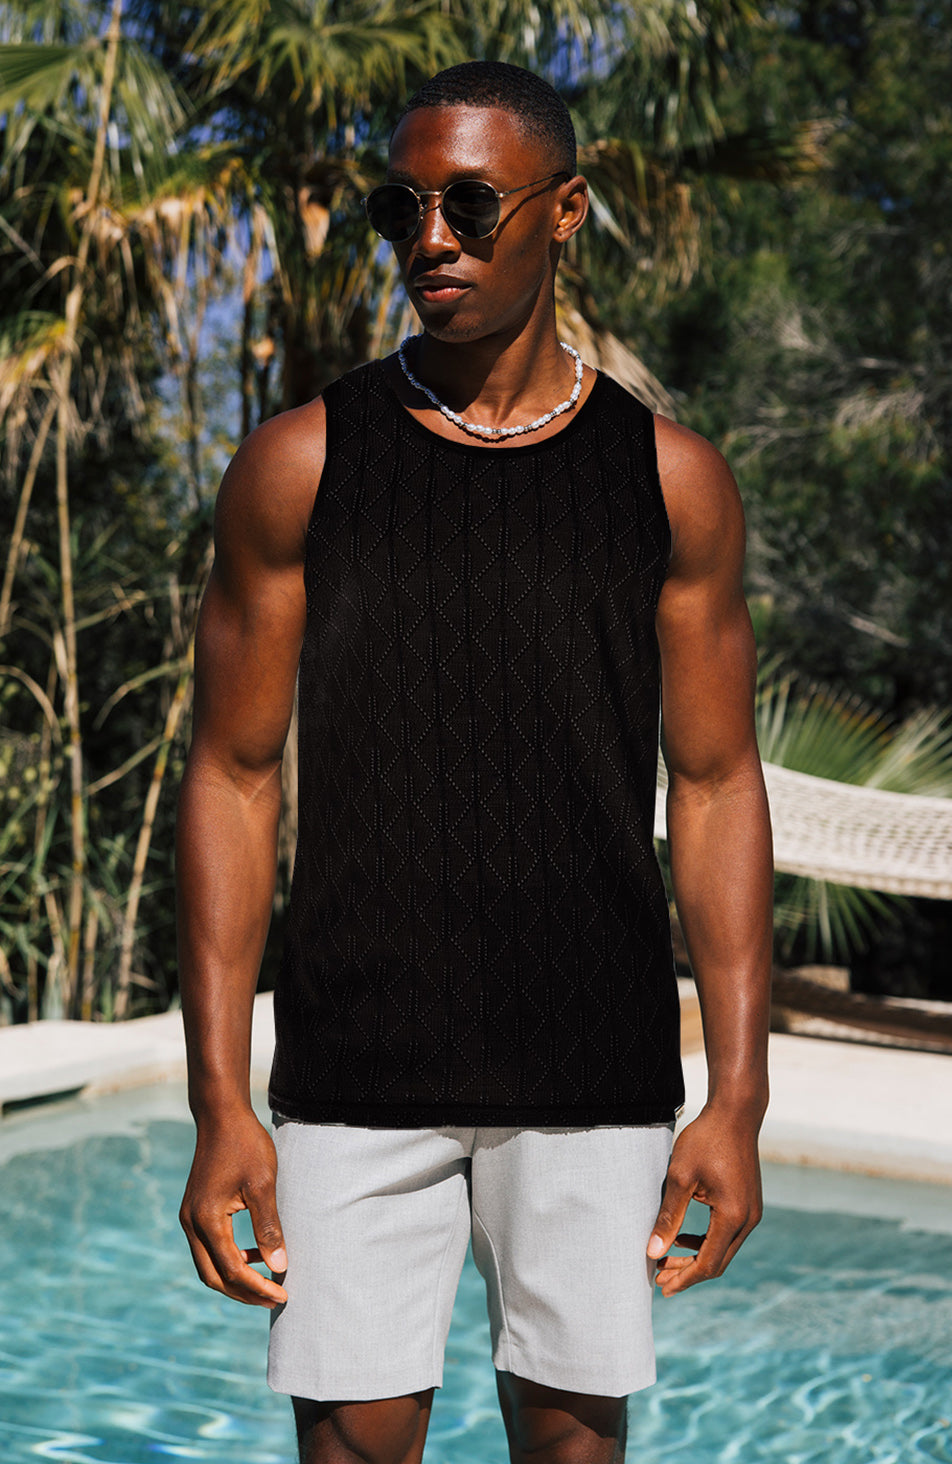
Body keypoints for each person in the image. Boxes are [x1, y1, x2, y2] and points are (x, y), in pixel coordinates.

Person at [177, 60, 772, 1464]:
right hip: (356, 1057)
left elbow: (718, 785)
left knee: (572, 1449)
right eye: (403, 209)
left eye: (470, 203)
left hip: (592, 1057)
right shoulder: (301, 465)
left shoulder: (669, 479)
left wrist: (739, 1098)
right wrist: (219, 1099)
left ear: (564, 210)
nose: (430, 237)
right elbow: (232, 777)